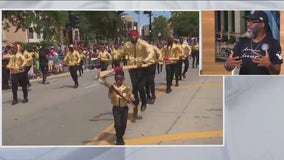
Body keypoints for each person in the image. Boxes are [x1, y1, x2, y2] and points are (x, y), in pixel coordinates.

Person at [224, 11, 283, 75]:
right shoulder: (242, 41)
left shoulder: (273, 43)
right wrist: (228, 64)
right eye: (248, 21)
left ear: (262, 24)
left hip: (264, 84)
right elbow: (228, 67)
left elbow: (276, 72)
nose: (248, 24)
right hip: (244, 83)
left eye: (252, 21)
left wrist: (268, 65)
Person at [121, 29, 154, 121]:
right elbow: (121, 52)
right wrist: (115, 56)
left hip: (142, 68)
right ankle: (135, 107)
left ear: (138, 36)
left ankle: (144, 102)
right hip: (132, 69)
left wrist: (145, 60)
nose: (133, 37)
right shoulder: (127, 45)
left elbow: (150, 52)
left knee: (140, 86)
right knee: (135, 89)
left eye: (134, 35)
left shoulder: (143, 44)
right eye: (131, 36)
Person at [108, 70, 134, 145]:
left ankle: (120, 134)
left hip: (124, 108)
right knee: (118, 124)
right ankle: (119, 139)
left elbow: (131, 95)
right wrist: (110, 91)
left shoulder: (127, 87)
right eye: (117, 79)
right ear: (115, 79)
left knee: (123, 125)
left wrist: (131, 99)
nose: (118, 81)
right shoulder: (112, 88)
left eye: (120, 79)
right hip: (116, 109)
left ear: (123, 79)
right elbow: (109, 97)